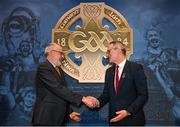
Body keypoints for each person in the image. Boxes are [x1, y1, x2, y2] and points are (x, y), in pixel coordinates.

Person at [32, 42, 98, 126]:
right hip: (46, 118)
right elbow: (58, 89)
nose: (63, 57)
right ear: (52, 52)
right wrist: (83, 99)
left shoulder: (58, 70)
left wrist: (69, 113)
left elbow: (61, 95)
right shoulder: (44, 68)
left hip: (57, 119)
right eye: (61, 53)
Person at [97, 41, 148, 126]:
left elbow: (143, 95)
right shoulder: (109, 72)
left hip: (133, 121)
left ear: (118, 50)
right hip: (114, 121)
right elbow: (106, 95)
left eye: (109, 51)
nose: (107, 54)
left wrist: (128, 112)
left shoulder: (135, 68)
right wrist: (96, 103)